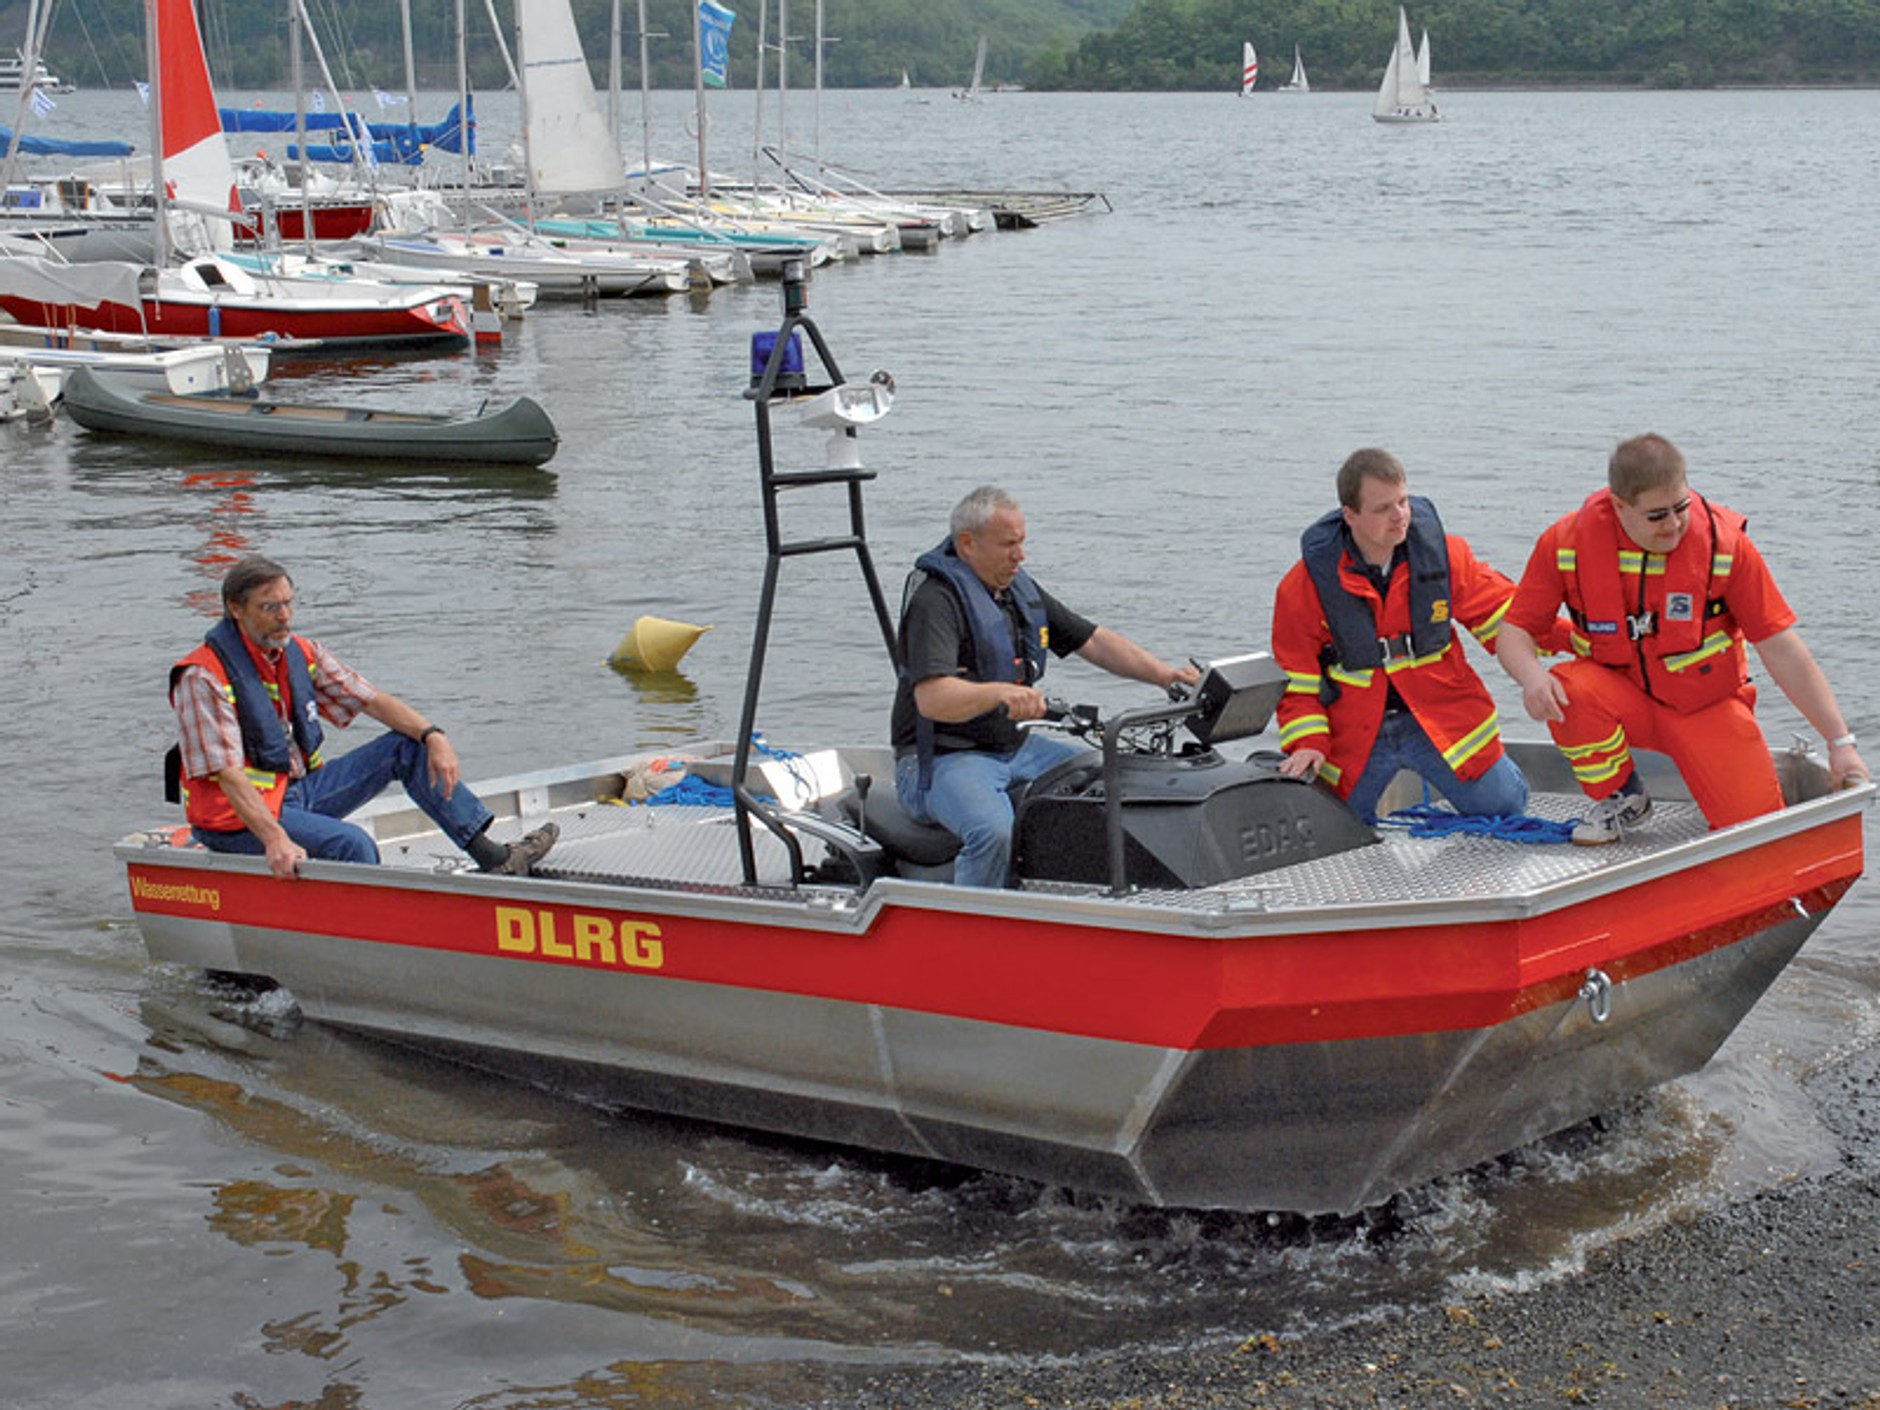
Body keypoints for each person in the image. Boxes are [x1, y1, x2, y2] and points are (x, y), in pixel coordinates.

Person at [1497, 432, 1869, 844]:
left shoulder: (1726, 548)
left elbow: (1781, 647)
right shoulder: (1564, 544)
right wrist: (1531, 678)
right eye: (1657, 516)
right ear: (1619, 506)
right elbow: (1514, 632)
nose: (1674, 525)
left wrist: (1840, 742)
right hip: (1621, 698)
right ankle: (1623, 799)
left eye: (1681, 507)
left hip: (1705, 707)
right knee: (1566, 689)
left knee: (1755, 836)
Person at [168, 555, 559, 881]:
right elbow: (229, 776)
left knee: (407, 746)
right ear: (235, 609)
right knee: (351, 843)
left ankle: (497, 860)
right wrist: (275, 840)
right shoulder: (202, 678)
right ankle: (366, 937)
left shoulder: (299, 652)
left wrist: (433, 735)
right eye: (270, 608)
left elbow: (370, 700)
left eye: (289, 603)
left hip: (297, 793)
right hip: (237, 819)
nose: (285, 617)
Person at [891, 485, 1199, 888]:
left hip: (1015, 747)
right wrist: (998, 692)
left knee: (1106, 781)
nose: (1020, 555)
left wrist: (1164, 675)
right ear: (967, 544)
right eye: (1008, 545)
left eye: (1022, 542)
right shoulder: (936, 602)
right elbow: (932, 699)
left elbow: (1092, 640)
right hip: (940, 761)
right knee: (993, 832)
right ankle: (972, 932)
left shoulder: (1016, 589)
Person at [1271, 448, 1552, 823]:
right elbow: (1296, 683)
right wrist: (1308, 744)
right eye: (1383, 508)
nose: (1400, 515)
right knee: (1328, 829)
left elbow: (1510, 617)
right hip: (1355, 736)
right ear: (1350, 515)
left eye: (1403, 501)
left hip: (1439, 719)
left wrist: (1587, 640)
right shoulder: (1303, 585)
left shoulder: (1443, 555)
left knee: (1506, 807)